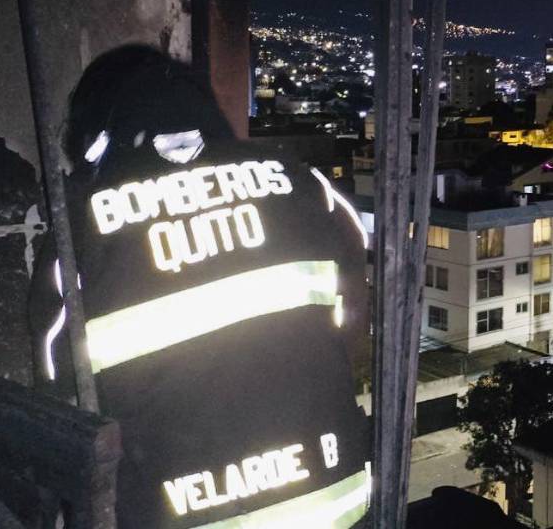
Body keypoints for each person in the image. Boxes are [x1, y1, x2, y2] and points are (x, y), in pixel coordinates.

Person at [29, 46, 371, 528]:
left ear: (95, 134)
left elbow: (58, 391)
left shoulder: (78, 227)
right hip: (333, 504)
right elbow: (354, 331)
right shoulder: (306, 184)